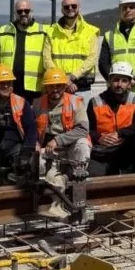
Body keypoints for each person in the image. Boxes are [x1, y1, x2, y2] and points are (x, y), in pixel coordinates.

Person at [32, 68, 91, 217]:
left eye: (58, 85)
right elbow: (30, 128)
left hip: (70, 145)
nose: (55, 89)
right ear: (45, 87)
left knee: (83, 145)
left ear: (64, 86)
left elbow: (83, 130)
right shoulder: (37, 104)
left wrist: (58, 140)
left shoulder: (75, 102)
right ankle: (48, 200)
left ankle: (76, 181)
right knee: (36, 161)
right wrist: (35, 143)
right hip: (49, 149)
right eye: (51, 86)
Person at [87, 62, 135, 176]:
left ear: (129, 83)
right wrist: (99, 137)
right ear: (109, 80)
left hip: (126, 148)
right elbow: (87, 129)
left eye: (124, 81)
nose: (119, 84)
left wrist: (120, 133)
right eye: (116, 80)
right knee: (94, 176)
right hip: (103, 150)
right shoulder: (94, 102)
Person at [43, 0, 100, 103]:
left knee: (81, 114)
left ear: (79, 8)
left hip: (82, 87)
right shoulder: (51, 31)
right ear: (62, 10)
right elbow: (47, 59)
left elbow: (92, 58)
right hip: (58, 88)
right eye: (66, 7)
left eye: (73, 6)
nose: (70, 9)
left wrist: (73, 77)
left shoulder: (90, 31)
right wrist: (64, 80)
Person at [0, 0, 47, 103]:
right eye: (19, 11)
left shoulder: (43, 32)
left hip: (34, 89)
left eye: (26, 11)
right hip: (9, 87)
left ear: (31, 12)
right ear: (15, 13)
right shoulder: (3, 31)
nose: (23, 14)